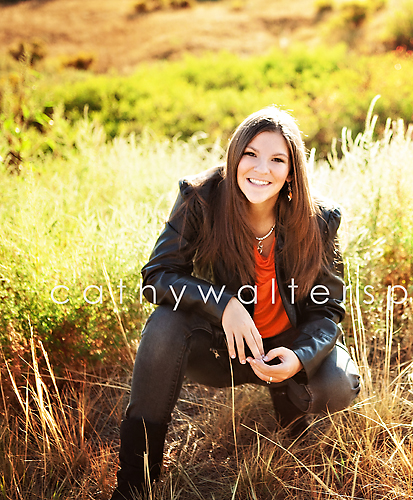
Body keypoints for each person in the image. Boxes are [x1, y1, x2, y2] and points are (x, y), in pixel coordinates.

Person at [110, 107, 361, 500]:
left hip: (285, 348)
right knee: (164, 323)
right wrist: (224, 304)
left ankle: (287, 397)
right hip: (221, 348)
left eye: (277, 159)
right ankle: (134, 484)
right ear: (234, 155)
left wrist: (298, 357)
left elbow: (326, 310)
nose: (261, 169)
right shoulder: (200, 198)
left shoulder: (319, 220)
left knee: (338, 383)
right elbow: (158, 276)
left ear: (292, 171)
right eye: (251, 154)